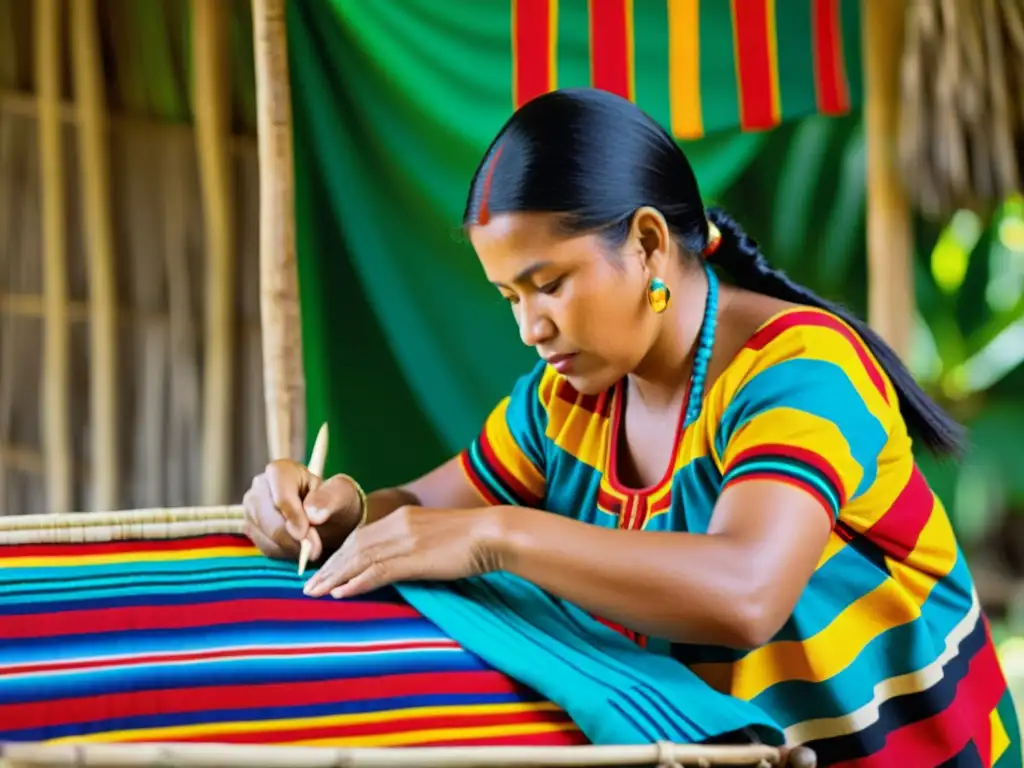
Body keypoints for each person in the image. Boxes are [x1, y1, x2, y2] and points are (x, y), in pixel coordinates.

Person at [243, 88, 1020, 766]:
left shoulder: (803, 374)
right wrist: (332, 507)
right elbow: (420, 507)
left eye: (547, 286)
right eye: (510, 297)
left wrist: (496, 537)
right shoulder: (569, 397)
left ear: (647, 242)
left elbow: (746, 591)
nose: (530, 329)